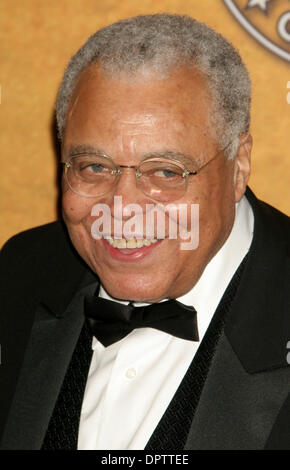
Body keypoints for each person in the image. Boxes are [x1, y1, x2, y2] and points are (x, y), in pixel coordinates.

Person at [0, 13, 289, 451]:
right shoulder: (21, 272)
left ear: (239, 165)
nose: (125, 210)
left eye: (166, 172)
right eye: (95, 167)